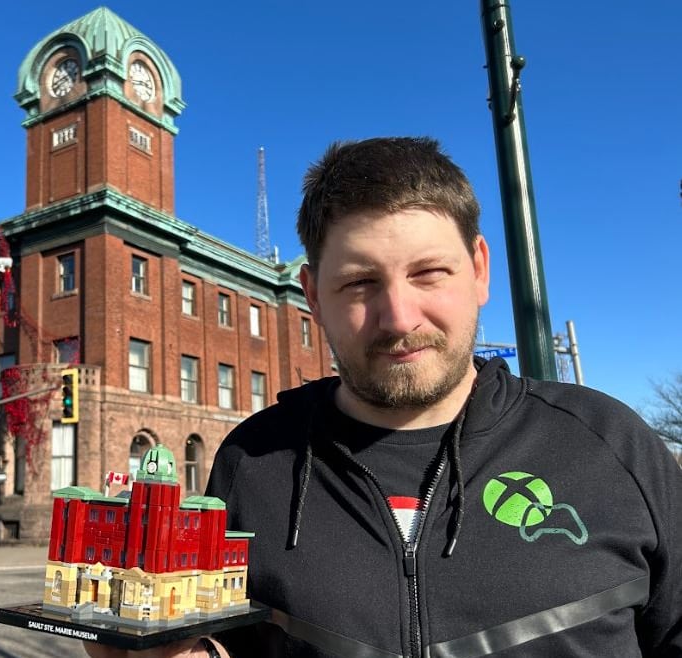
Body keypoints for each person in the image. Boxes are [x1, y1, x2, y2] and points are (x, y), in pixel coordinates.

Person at [87, 137, 682, 657]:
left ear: (478, 269)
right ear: (313, 296)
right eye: (359, 283)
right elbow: (234, 642)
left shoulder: (611, 446)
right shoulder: (251, 464)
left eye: (428, 273)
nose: (398, 318)